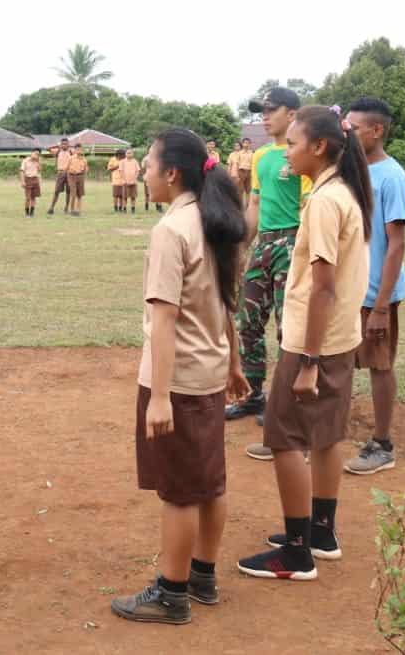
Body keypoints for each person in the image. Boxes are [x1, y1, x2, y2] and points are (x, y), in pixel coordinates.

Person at [111, 128, 250, 625]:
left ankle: (171, 593)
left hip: (179, 379)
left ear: (171, 173)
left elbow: (165, 320)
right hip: (209, 373)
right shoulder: (212, 219)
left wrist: (161, 397)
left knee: (179, 492)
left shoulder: (172, 230)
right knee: (209, 482)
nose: (144, 172)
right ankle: (202, 577)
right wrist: (232, 361)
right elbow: (224, 302)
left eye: (148, 165)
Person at [237, 105, 371, 581]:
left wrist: (308, 360)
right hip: (339, 338)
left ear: (319, 146)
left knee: (284, 438)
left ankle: (296, 553)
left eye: (293, 143)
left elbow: (323, 287)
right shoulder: (344, 191)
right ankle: (321, 532)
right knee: (327, 434)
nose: (286, 151)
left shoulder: (323, 201)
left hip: (314, 342)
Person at [230, 87, 311, 465]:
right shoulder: (262, 155)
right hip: (264, 243)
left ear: (291, 114)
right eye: (261, 111)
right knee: (247, 322)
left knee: (286, 326)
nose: (264, 117)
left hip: (293, 241)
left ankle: (286, 402)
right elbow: (256, 203)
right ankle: (253, 393)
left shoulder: (303, 154)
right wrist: (245, 244)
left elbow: (308, 204)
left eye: (271, 110)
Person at [342, 98, 405, 476]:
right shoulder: (353, 172)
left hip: (375, 293)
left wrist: (382, 306)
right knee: (338, 362)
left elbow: (395, 243)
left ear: (377, 130)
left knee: (379, 365)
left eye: (354, 128)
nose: (348, 133)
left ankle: (382, 444)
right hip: (348, 290)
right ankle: (325, 433)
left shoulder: (392, 177)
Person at [46, 137, 72, 215]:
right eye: (62, 144)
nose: (64, 145)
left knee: (68, 191)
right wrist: (57, 146)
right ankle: (51, 207)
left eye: (66, 144)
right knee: (56, 191)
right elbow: (47, 148)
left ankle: (66, 207)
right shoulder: (57, 151)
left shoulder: (71, 152)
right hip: (60, 173)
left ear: (68, 144)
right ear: (60, 144)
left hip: (69, 173)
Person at [19, 148, 42, 216]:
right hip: (27, 179)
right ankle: (27, 213)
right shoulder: (25, 161)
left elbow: (40, 170)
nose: (35, 155)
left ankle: (32, 212)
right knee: (28, 198)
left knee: (34, 197)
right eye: (34, 153)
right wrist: (22, 181)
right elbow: (22, 171)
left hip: (35, 179)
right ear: (31, 153)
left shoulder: (37, 161)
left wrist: (38, 161)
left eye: (37, 154)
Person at [66, 144, 88, 216]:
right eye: (77, 149)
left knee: (80, 194)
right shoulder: (71, 158)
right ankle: (72, 209)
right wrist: (71, 171)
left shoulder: (84, 159)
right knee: (73, 194)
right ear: (75, 150)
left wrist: (84, 172)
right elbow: (67, 168)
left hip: (80, 176)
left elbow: (86, 169)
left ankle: (78, 210)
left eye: (80, 149)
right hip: (72, 177)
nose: (79, 151)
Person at [121, 149, 141, 214]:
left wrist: (134, 179)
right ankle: (124, 209)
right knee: (125, 197)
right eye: (127, 153)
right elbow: (121, 171)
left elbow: (138, 171)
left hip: (133, 182)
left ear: (132, 154)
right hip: (125, 182)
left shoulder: (135, 161)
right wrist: (124, 180)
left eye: (130, 153)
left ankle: (133, 209)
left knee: (133, 197)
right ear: (125, 154)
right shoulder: (122, 162)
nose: (129, 154)